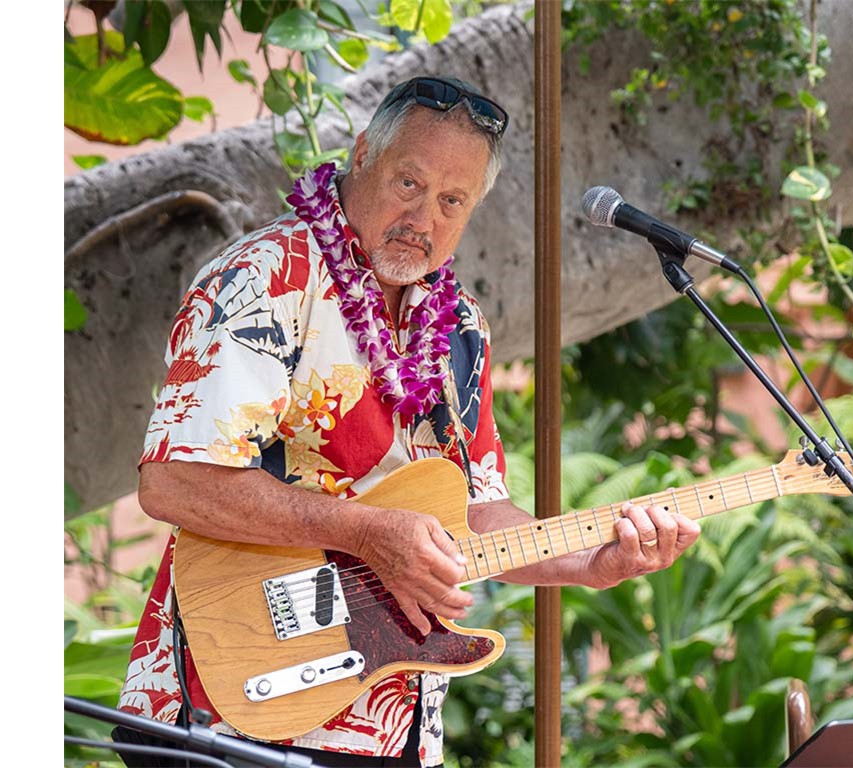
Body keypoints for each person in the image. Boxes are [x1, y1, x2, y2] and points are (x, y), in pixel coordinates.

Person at [114, 75, 701, 768]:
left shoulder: (460, 326)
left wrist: (591, 563)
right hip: (234, 709)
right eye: (409, 183)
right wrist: (366, 532)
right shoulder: (267, 279)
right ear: (363, 154)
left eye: (452, 200)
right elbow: (176, 480)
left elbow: (476, 514)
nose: (423, 217)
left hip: (392, 724)